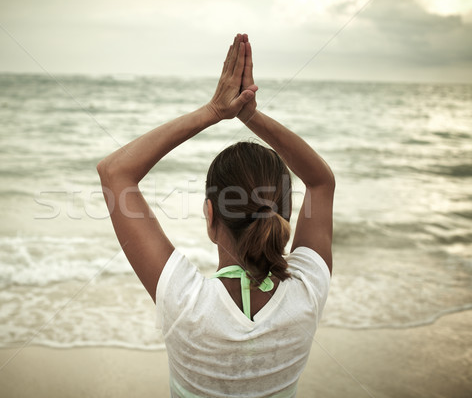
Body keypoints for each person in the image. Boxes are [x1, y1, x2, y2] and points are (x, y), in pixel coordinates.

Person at [97, 33, 335, 398]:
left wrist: (213, 112)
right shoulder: (306, 291)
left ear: (210, 216)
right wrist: (250, 115)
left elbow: (115, 171)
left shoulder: (186, 303)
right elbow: (321, 181)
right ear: (285, 216)